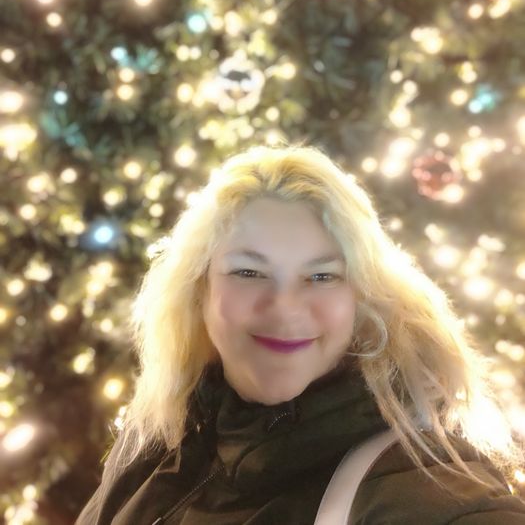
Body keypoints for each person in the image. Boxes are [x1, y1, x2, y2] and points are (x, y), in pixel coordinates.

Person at [76, 142, 525, 524]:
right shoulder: (154, 442)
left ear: (363, 298)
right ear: (199, 290)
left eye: (322, 276)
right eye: (249, 272)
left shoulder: (421, 486)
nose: (285, 307)